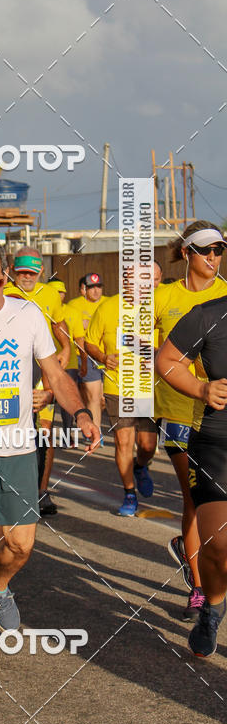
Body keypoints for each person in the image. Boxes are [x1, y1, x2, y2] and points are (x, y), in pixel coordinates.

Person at [0, 241, 100, 672]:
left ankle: (0, 589)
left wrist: (80, 413)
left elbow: (55, 372)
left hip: (18, 446)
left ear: (4, 275)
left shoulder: (27, 314)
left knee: (19, 544)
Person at [154, 222, 227, 619]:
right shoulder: (164, 296)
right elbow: (139, 343)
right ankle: (199, 587)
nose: (213, 258)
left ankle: (202, 559)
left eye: (218, 250)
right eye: (205, 251)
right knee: (195, 501)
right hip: (177, 410)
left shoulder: (226, 295)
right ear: (186, 254)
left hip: (218, 419)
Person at [85, 271, 157, 516]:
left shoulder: (154, 307)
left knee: (147, 444)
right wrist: (104, 357)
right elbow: (89, 342)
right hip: (118, 386)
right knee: (123, 441)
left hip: (148, 386)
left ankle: (140, 465)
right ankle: (129, 494)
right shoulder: (107, 308)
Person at [3, 248, 70, 514]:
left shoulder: (50, 294)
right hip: (11, 369)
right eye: (22, 273)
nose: (27, 277)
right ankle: (12, 488)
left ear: (41, 271)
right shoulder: (4, 292)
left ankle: (41, 491)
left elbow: (59, 323)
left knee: (44, 430)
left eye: (32, 273)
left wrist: (65, 347)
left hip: (42, 369)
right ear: (12, 270)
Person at [48, 279, 87, 438]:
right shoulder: (40, 309)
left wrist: (84, 362)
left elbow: (79, 339)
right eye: (55, 292)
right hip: (45, 362)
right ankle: (45, 435)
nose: (59, 295)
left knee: (67, 401)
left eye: (61, 292)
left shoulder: (73, 312)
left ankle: (67, 433)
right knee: (48, 400)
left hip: (69, 362)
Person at [67, 273, 106, 429]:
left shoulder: (109, 304)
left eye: (99, 287)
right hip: (85, 356)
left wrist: (87, 324)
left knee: (102, 399)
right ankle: (96, 434)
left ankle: (87, 421)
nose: (96, 291)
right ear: (84, 289)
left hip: (106, 356)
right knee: (94, 397)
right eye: (91, 287)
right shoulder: (74, 305)